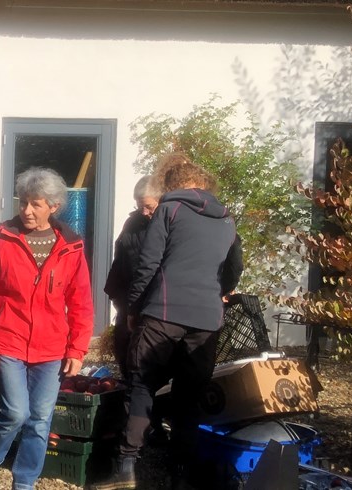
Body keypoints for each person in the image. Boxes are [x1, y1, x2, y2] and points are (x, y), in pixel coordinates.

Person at [92, 156, 242, 490]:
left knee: (142, 385)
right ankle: (181, 475)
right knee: (189, 396)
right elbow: (233, 270)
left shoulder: (169, 210)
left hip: (163, 312)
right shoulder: (227, 219)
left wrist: (134, 308)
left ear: (172, 184)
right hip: (206, 320)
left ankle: (126, 468)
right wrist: (217, 292)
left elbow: (148, 264)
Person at [0, 167, 93, 490]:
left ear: (54, 206)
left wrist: (77, 348)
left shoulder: (71, 246)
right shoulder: (1, 238)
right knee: (15, 412)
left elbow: (81, 301)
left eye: (36, 204)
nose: (27, 210)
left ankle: (24, 484)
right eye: (23, 202)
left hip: (51, 347)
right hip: (8, 339)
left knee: (40, 420)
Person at [102, 175, 159, 379]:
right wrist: (116, 295)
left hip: (155, 301)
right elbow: (121, 258)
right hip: (128, 297)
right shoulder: (132, 223)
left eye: (148, 206)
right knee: (124, 347)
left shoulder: (168, 223)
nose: (144, 212)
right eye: (139, 206)